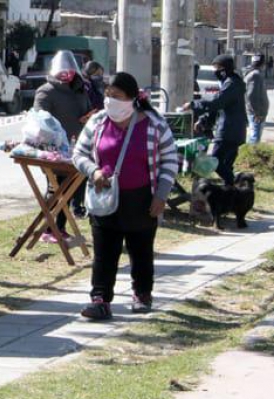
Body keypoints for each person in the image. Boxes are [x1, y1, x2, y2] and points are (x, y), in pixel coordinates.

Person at [72, 72, 180, 320]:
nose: (111, 101)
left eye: (117, 96)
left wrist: (161, 195)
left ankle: (142, 294)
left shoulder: (154, 124)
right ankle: (100, 300)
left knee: (141, 250)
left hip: (142, 199)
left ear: (132, 98)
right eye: (108, 95)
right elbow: (79, 154)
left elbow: (170, 160)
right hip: (104, 197)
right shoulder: (98, 121)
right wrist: (93, 171)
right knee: (104, 253)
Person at [33, 50, 94, 233]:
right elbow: (39, 119)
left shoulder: (80, 90)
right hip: (54, 149)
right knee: (56, 188)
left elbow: (87, 109)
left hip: (77, 147)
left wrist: (87, 117)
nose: (66, 74)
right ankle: (49, 228)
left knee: (70, 190)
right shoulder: (46, 91)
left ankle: (59, 227)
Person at [181, 54, 247, 186]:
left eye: (217, 68)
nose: (215, 71)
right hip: (234, 129)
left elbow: (216, 102)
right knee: (226, 164)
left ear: (225, 69)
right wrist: (204, 121)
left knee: (215, 161)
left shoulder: (232, 84)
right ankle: (231, 189)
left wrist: (193, 104)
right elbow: (218, 107)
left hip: (229, 130)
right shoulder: (229, 83)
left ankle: (234, 185)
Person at [245, 54, 269, 145]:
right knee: (255, 139)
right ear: (262, 64)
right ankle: (250, 154)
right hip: (257, 114)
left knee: (254, 137)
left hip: (256, 113)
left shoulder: (253, 73)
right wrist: (257, 113)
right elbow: (251, 96)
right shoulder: (255, 75)